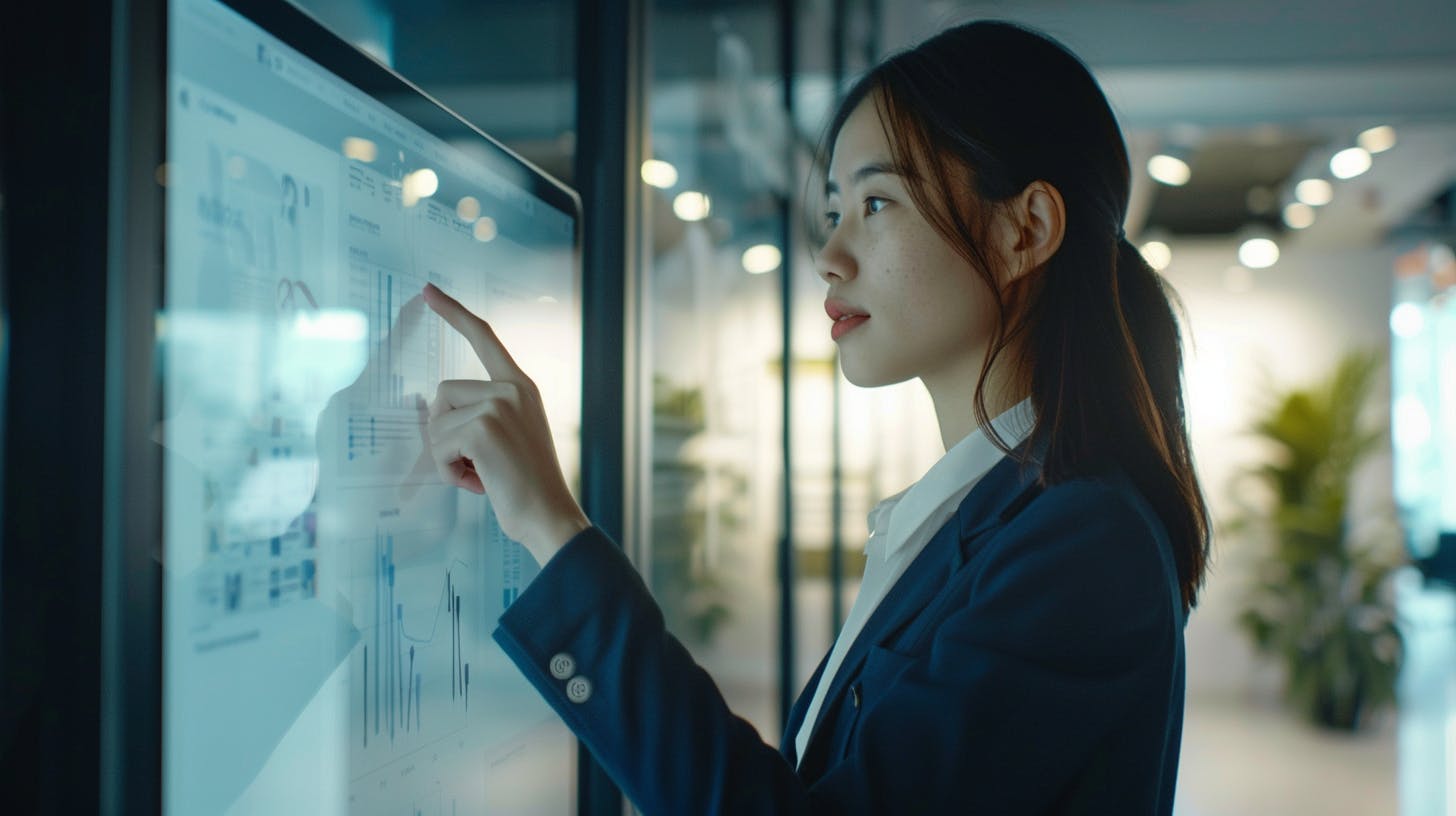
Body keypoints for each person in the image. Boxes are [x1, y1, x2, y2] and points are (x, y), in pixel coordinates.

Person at [420, 17, 1210, 815]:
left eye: (876, 202)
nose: (829, 256)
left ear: (1025, 230)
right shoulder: (989, 518)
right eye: (835, 211)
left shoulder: (1082, 541)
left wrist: (551, 527)